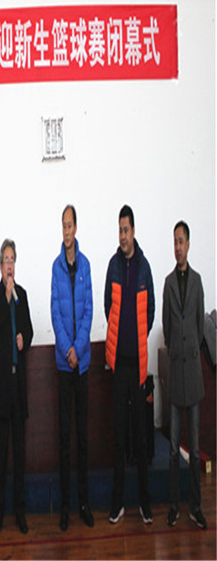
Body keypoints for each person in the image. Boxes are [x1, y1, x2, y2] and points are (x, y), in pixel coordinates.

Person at [104, 204, 155, 525]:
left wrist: (138, 339)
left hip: (138, 367)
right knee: (119, 436)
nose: (122, 236)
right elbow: (107, 305)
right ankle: (118, 503)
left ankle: (145, 504)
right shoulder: (112, 265)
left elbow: (150, 311)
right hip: (118, 367)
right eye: (119, 230)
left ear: (134, 231)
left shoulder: (144, 267)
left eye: (126, 230)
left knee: (140, 436)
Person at [51, 205, 94, 532]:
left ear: (76, 228)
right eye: (63, 225)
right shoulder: (55, 267)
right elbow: (55, 311)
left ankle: (84, 504)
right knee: (65, 440)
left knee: (82, 439)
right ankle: (65, 507)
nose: (66, 230)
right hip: (64, 366)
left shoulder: (86, 265)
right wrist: (68, 350)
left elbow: (89, 310)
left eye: (70, 225)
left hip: (82, 365)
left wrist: (78, 349)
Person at [162, 221, 207, 529]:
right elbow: (166, 327)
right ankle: (174, 506)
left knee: (195, 446)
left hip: (193, 372)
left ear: (188, 245)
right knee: (173, 448)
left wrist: (189, 346)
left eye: (182, 241)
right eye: (175, 242)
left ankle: (196, 506)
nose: (178, 247)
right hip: (176, 374)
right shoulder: (167, 283)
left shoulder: (198, 281)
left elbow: (201, 326)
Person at [0, 239, 33, 538]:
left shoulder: (23, 296)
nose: (9, 264)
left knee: (19, 454)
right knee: (1, 455)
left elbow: (28, 330)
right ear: (0, 265)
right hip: (3, 386)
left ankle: (20, 512)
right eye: (5, 259)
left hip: (19, 384)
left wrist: (24, 339)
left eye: (12, 259)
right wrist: (6, 296)